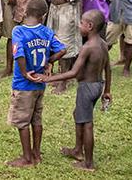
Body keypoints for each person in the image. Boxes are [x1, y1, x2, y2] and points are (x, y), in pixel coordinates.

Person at [37, 10, 113, 172]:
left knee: (87, 124)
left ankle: (88, 163)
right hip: (98, 85)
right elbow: (108, 68)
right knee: (78, 115)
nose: (79, 26)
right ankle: (77, 150)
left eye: (82, 23)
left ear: (90, 26)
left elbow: (74, 73)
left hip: (87, 87)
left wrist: (47, 78)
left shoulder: (87, 47)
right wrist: (107, 90)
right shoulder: (103, 44)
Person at [6, 0, 66, 168]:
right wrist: (49, 61)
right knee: (36, 119)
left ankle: (26, 158)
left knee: (22, 122)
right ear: (43, 15)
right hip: (40, 84)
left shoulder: (18, 31)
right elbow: (63, 49)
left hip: (24, 84)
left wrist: (25, 73)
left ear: (25, 12)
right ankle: (36, 154)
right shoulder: (47, 32)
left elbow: (19, 54)